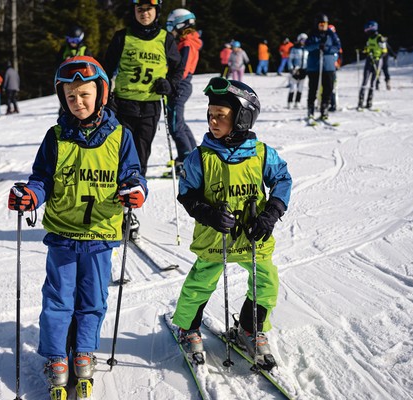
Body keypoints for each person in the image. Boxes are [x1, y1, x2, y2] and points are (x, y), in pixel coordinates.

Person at [6, 56, 147, 395]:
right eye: (71, 97)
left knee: (93, 299)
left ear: (101, 94)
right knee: (58, 299)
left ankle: (83, 350)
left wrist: (135, 191)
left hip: (100, 235)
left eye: (84, 94)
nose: (78, 102)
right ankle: (56, 355)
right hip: (63, 236)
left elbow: (132, 175)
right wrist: (30, 196)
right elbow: (42, 179)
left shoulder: (120, 136)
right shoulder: (56, 137)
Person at [171, 77, 292, 371]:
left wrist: (271, 212)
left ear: (241, 118)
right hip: (216, 237)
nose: (213, 121)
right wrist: (208, 213)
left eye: (221, 116)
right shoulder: (200, 157)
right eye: (210, 115)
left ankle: (251, 329)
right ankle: (188, 328)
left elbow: (282, 180)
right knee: (200, 283)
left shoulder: (262, 153)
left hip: (253, 236)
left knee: (266, 282)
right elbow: (187, 194)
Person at [104, 0, 183, 177]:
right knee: (121, 150)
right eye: (140, 9)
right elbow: (106, 69)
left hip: (150, 106)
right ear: (134, 11)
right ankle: (116, 193)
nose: (144, 13)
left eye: (149, 9)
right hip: (123, 104)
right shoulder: (122, 37)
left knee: (142, 151)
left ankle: (137, 190)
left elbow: (178, 69)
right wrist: (105, 99)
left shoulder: (166, 39)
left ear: (157, 11)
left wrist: (169, 84)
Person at [165, 8, 202, 172]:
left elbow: (183, 67)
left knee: (174, 125)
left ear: (180, 24)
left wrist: (173, 84)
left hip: (180, 84)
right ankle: (192, 155)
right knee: (178, 122)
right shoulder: (187, 41)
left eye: (172, 26)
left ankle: (185, 162)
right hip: (182, 83)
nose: (171, 30)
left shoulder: (187, 43)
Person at [304, 13, 341, 120]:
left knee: (328, 88)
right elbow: (307, 47)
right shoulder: (312, 34)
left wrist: (327, 49)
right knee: (313, 89)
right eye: (320, 24)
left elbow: (337, 47)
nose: (323, 26)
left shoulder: (331, 34)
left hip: (328, 66)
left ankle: (324, 109)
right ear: (317, 24)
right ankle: (310, 110)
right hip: (314, 67)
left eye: (324, 24)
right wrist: (317, 46)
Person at [357, 21, 387, 110]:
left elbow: (384, 51)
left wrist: (376, 56)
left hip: (377, 62)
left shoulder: (379, 38)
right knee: (364, 81)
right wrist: (364, 50)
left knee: (372, 82)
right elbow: (367, 48)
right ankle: (360, 102)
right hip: (369, 61)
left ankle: (369, 102)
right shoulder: (369, 38)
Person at [286, 33, 308, 109]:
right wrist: (291, 68)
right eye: (302, 40)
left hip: (304, 70)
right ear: (299, 40)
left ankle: (297, 102)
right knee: (293, 87)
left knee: (300, 87)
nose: (303, 41)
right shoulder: (294, 49)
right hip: (296, 70)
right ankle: (290, 102)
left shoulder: (307, 49)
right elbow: (290, 60)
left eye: (305, 40)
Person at [328, 24, 343, 112]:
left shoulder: (336, 40)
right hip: (326, 65)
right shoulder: (326, 39)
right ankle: (324, 103)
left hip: (333, 66)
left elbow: (340, 54)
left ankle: (334, 103)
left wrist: (338, 63)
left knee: (333, 85)